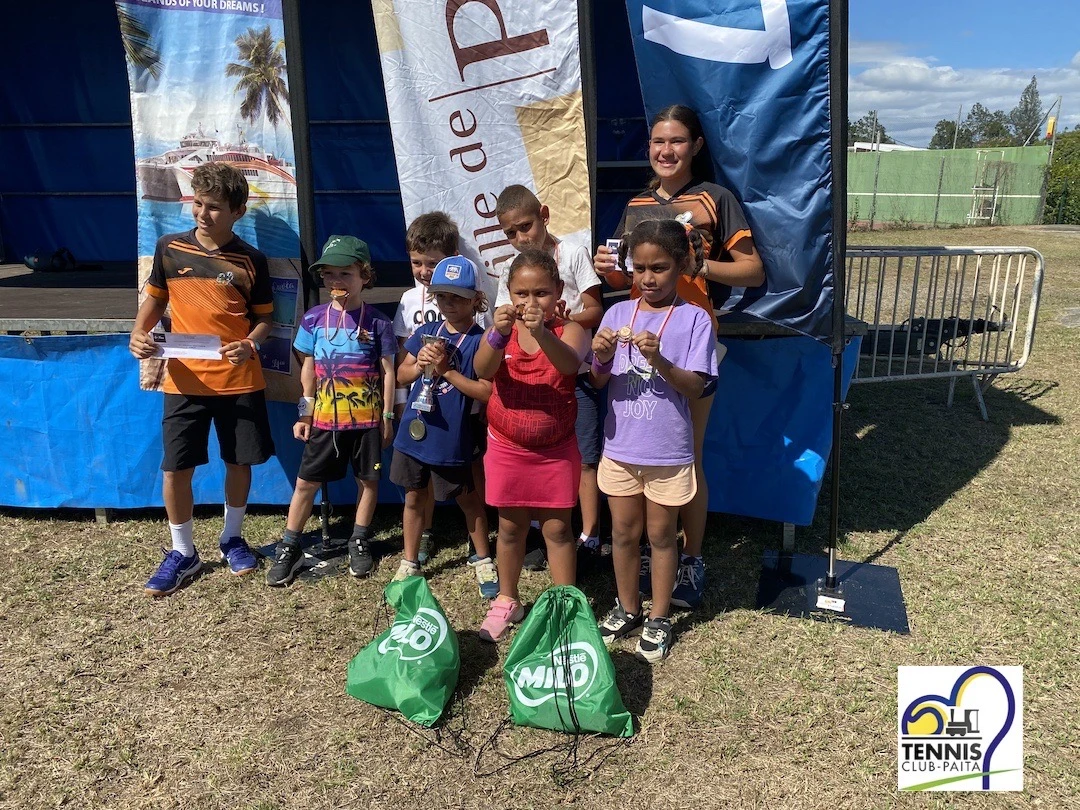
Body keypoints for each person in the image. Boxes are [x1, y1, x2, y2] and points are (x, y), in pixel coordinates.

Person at [593, 103, 764, 609]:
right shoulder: (637, 204)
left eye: (677, 142)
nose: (665, 151)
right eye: (657, 142)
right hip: (636, 341)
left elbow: (753, 271)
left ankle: (690, 559)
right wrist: (610, 272)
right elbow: (631, 281)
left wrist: (699, 264)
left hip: (692, 338)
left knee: (686, 453)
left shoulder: (716, 199)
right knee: (640, 446)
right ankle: (649, 553)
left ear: (696, 147)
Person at [129, 162, 275, 597]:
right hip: (183, 382)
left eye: (214, 207)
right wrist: (138, 333)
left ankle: (232, 538)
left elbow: (265, 320)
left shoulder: (253, 260)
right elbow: (154, 304)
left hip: (239, 381)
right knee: (176, 468)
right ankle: (182, 552)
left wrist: (249, 344)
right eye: (198, 203)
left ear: (239, 211)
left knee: (238, 462)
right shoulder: (168, 248)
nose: (202, 214)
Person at [590, 220, 718, 662]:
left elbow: (696, 386)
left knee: (663, 536)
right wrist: (602, 357)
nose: (647, 277)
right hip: (622, 447)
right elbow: (597, 377)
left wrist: (659, 358)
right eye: (639, 267)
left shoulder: (694, 319)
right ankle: (627, 607)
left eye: (659, 267)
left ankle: (659, 616)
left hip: (667, 449)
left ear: (681, 265)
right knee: (623, 533)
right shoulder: (615, 315)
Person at [473, 248, 591, 641]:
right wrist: (496, 333)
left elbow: (570, 365)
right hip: (507, 446)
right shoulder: (501, 331)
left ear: (558, 292)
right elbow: (482, 370)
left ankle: (564, 606)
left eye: (540, 293)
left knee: (557, 529)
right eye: (521, 293)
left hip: (556, 449)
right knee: (510, 527)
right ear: (508, 293)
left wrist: (542, 333)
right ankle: (508, 599)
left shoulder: (569, 329)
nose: (530, 302)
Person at [265, 236, 396, 586]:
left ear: (364, 275)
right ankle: (290, 545)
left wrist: (387, 417)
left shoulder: (379, 322)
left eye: (345, 273)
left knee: (368, 481)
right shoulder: (313, 319)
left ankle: (359, 538)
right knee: (306, 483)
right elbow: (307, 370)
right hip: (325, 420)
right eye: (329, 274)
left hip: (367, 421)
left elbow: (389, 372)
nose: (336, 282)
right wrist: (304, 414)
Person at [494, 184, 605, 562]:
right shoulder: (510, 269)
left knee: (584, 456)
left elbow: (594, 309)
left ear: (544, 215)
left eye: (525, 227)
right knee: (535, 453)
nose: (520, 238)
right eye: (510, 232)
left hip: (576, 373)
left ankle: (589, 535)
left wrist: (561, 319)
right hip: (530, 377)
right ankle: (546, 536)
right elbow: (503, 327)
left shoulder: (572, 253)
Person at [391, 255, 498, 598]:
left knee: (468, 500)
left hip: (451, 437)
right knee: (413, 498)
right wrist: (418, 362)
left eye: (458, 297)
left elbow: (486, 391)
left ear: (476, 300)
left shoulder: (481, 341)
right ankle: (409, 562)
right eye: (442, 296)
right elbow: (401, 373)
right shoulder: (425, 332)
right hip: (414, 431)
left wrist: (448, 371)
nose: (449, 304)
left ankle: (483, 559)